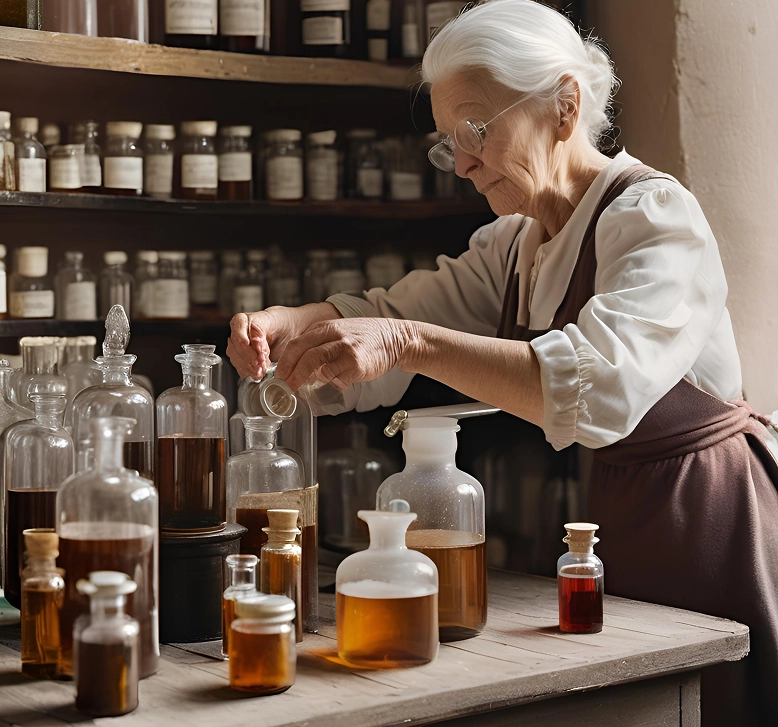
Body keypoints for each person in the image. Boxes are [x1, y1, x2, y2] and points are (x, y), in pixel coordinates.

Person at [227, 1, 778, 723]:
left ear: (563, 104)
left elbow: (600, 389)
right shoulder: (516, 244)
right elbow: (398, 311)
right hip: (621, 509)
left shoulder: (655, 218)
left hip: (714, 513)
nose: (461, 162)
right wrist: (290, 324)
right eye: (448, 142)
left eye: (475, 131)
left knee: (715, 699)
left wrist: (409, 343)